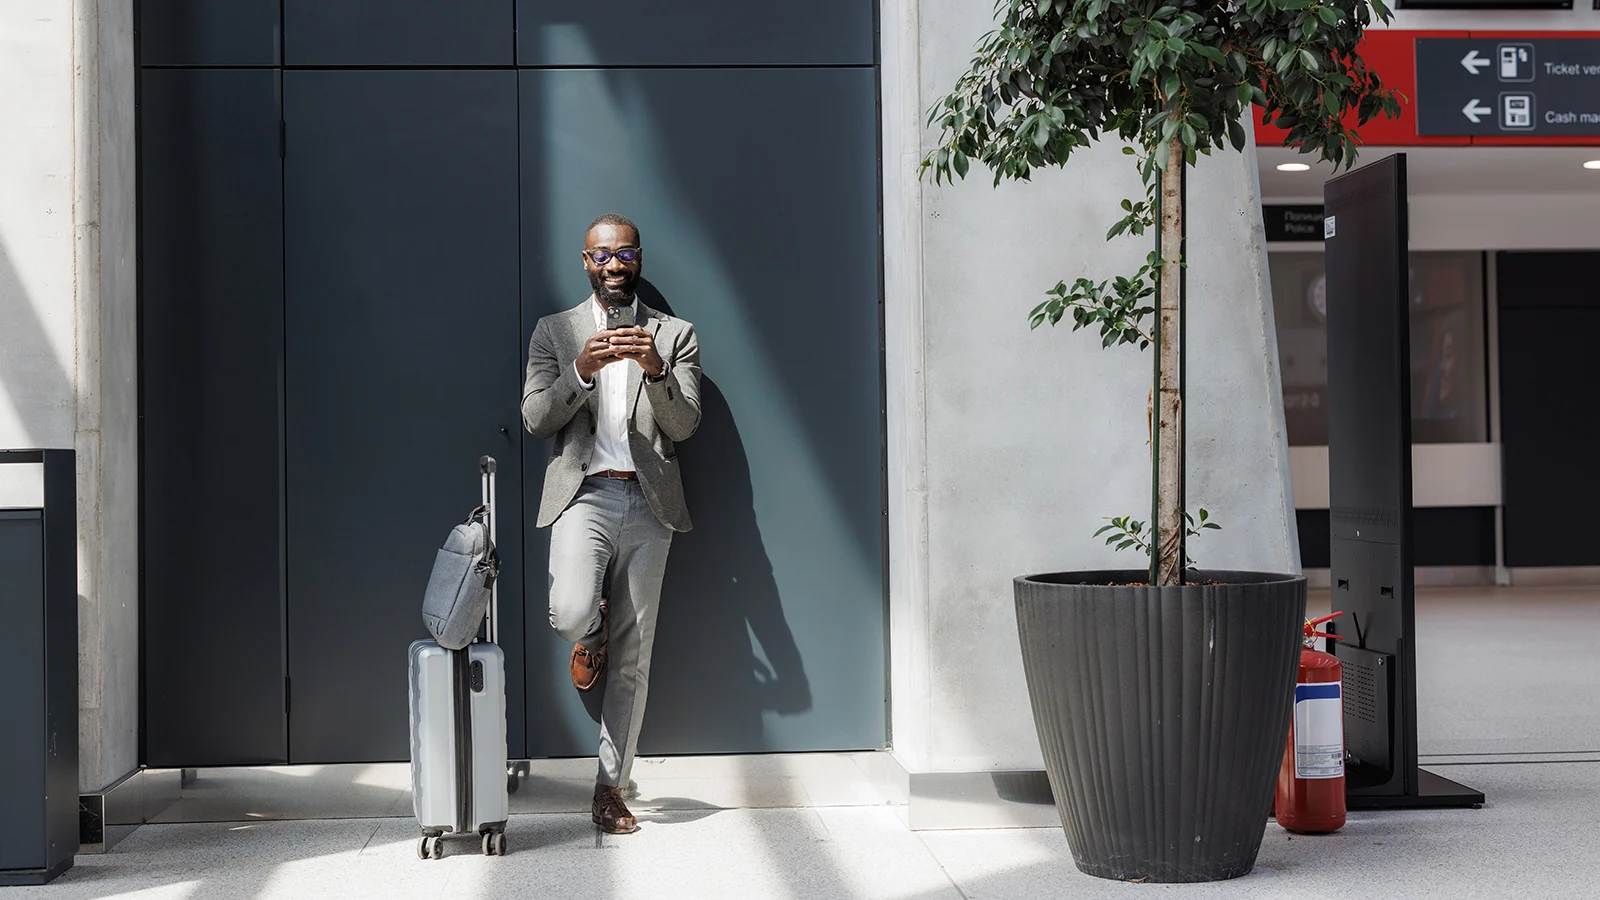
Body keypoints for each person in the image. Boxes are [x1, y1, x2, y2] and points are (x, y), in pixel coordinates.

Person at [521, 213, 702, 834]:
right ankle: (590, 634)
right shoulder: (555, 332)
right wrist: (579, 371)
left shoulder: (675, 335)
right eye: (602, 256)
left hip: (650, 504)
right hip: (584, 497)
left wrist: (655, 369)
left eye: (624, 254)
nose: (614, 265)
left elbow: (684, 426)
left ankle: (609, 788)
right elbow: (535, 419)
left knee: (635, 653)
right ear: (586, 261)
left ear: (639, 258)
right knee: (570, 612)